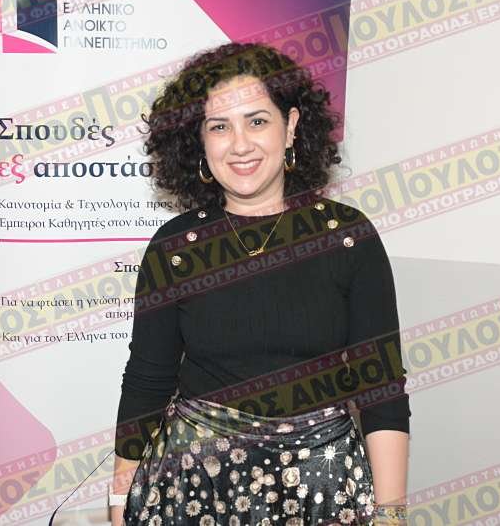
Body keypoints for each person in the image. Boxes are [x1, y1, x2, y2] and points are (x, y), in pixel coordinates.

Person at [110, 42, 411, 526]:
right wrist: (119, 497)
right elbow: (148, 379)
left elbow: (383, 391)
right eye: (219, 126)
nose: (240, 144)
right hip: (195, 488)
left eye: (256, 121)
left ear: (290, 127)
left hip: (322, 487)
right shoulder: (175, 246)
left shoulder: (348, 238)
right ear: (199, 141)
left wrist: (391, 513)